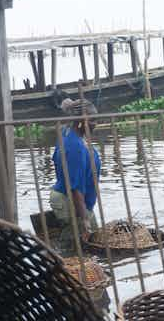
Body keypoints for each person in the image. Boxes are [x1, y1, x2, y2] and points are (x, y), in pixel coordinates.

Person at [49, 98, 101, 249]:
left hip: (76, 201)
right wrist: (84, 219)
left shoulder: (68, 133)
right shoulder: (75, 146)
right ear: (80, 121)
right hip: (72, 202)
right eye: (92, 120)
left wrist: (71, 105)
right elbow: (75, 187)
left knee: (85, 247)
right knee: (80, 249)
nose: (95, 124)